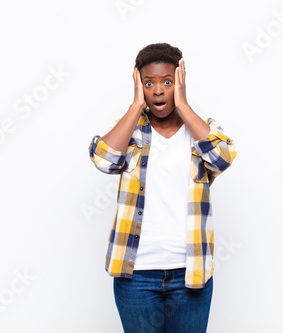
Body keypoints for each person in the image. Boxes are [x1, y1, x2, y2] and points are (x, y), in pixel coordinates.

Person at [88, 42, 237, 333]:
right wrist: (135, 106)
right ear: (139, 85)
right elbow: (103, 160)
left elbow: (222, 159)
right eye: (149, 83)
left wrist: (183, 105)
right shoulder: (130, 130)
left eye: (167, 82)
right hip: (136, 276)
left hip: (190, 273)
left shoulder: (201, 129)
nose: (158, 90)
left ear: (180, 82)